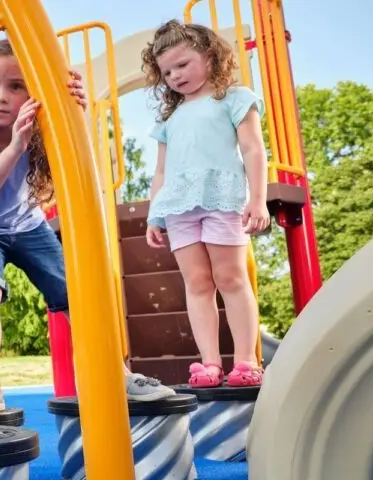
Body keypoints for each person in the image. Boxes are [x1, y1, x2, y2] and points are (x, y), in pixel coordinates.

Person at [0, 39, 178, 415]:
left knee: (76, 293)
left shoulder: (43, 132)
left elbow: (78, 164)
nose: (1, 96)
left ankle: (118, 373)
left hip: (28, 224)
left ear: (34, 91)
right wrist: (16, 146)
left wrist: (73, 112)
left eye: (15, 86)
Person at [140, 20, 270, 388]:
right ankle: (209, 363)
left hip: (221, 198)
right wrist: (154, 216)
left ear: (210, 56)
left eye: (182, 65)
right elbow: (161, 173)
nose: (175, 76)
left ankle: (245, 359)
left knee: (230, 277)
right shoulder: (170, 119)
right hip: (179, 207)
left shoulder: (233, 97)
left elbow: (252, 149)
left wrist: (257, 199)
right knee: (197, 282)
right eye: (167, 71)